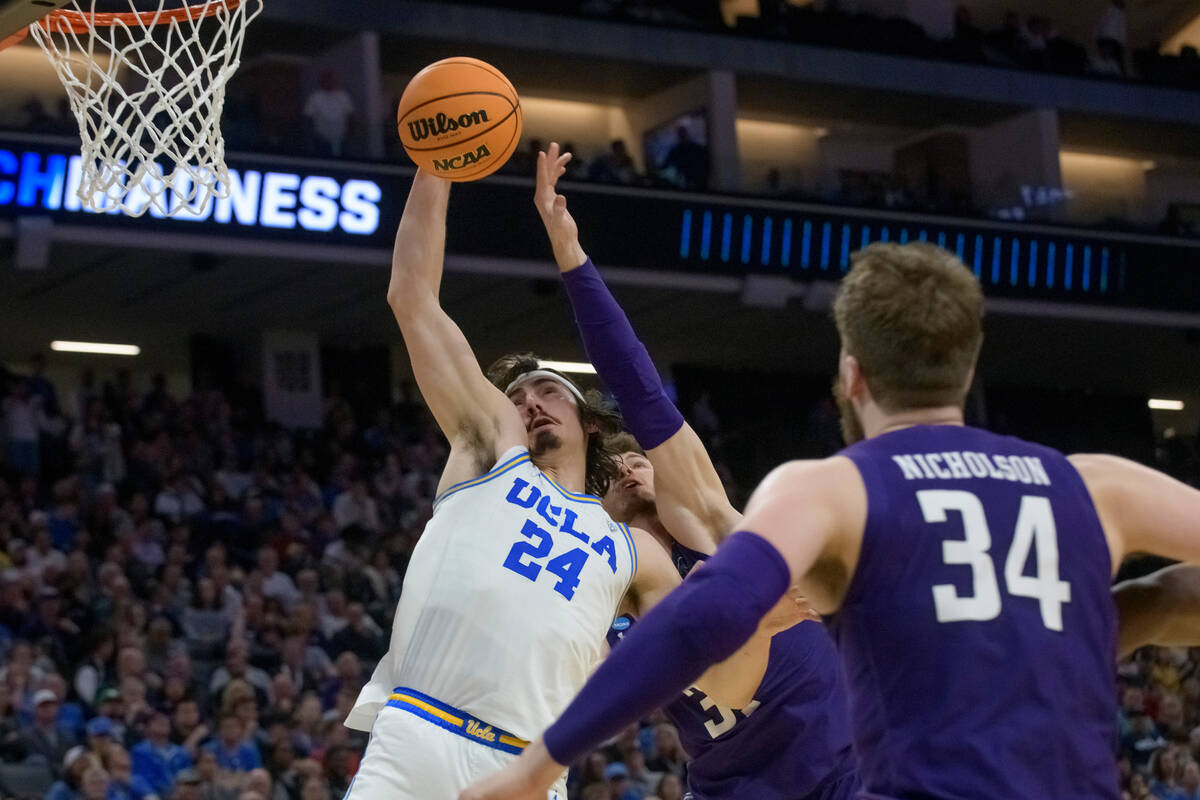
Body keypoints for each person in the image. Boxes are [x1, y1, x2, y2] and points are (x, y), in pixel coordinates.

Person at [461, 240, 1200, 800]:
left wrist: (542, 762)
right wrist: (1112, 620)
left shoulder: (831, 493)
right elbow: (1173, 599)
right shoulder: (1097, 484)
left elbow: (704, 615)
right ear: (969, 370)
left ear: (851, 375)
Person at [341, 170, 806, 800]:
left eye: (548, 389)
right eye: (518, 396)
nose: (530, 402)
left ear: (590, 421)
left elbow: (715, 681)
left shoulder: (632, 551)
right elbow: (412, 296)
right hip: (420, 733)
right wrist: (436, 167)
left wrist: (758, 625)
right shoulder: (490, 454)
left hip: (528, 772)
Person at [526, 143, 859, 799]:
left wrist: (571, 257)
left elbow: (639, 390)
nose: (625, 468)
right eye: (607, 473)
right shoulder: (604, 597)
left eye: (633, 458)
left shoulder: (709, 525)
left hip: (839, 771)